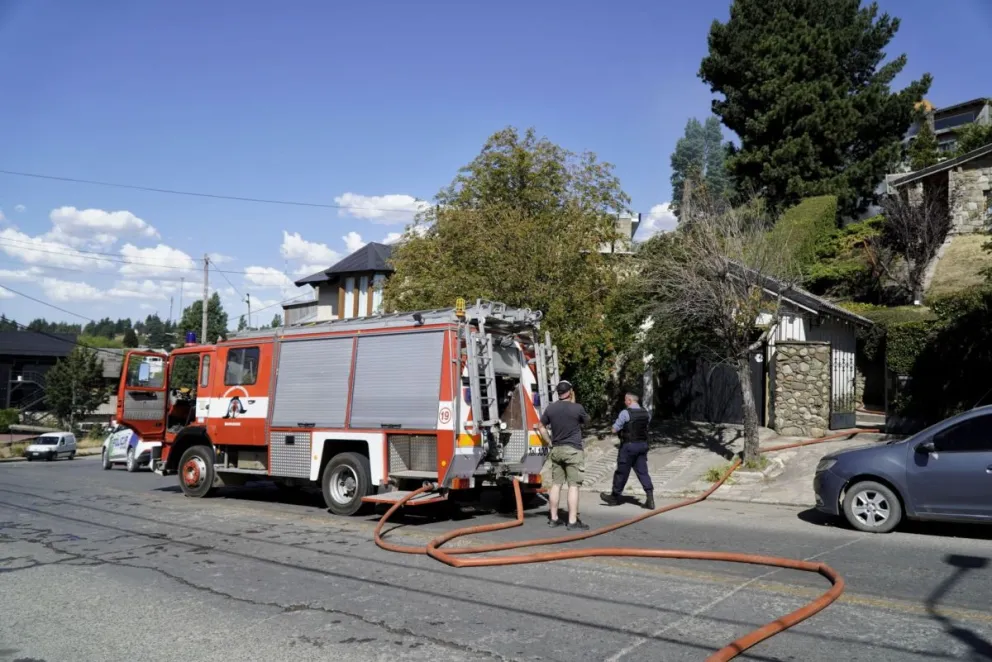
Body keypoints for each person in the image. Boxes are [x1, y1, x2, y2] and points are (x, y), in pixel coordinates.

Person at [537, 380, 590, 530]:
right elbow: (587, 422)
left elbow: (540, 426)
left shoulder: (551, 409)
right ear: (570, 391)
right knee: (573, 486)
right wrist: (574, 403)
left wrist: (549, 442)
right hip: (573, 450)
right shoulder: (577, 408)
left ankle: (553, 519)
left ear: (558, 393)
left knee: (556, 484)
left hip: (557, 449)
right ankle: (572, 521)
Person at [600, 392, 655, 510]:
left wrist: (612, 428)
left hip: (629, 446)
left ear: (629, 400)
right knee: (643, 472)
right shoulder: (646, 413)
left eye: (625, 400)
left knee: (622, 472)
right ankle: (650, 498)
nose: (624, 402)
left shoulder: (625, 413)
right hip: (642, 445)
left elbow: (615, 429)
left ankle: (614, 497)